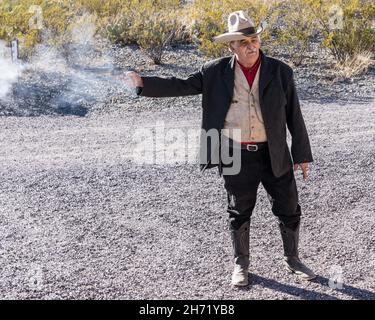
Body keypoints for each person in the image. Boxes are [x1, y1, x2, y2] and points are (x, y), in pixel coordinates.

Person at [124, 10, 316, 286]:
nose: (251, 46)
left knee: (289, 207)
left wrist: (301, 154)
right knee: (239, 210)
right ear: (232, 46)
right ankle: (241, 264)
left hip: (273, 152)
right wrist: (143, 83)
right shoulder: (214, 71)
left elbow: (294, 115)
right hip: (234, 154)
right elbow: (182, 86)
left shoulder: (280, 71)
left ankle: (293, 259)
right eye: (244, 42)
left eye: (254, 40)